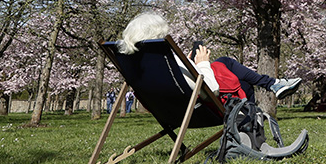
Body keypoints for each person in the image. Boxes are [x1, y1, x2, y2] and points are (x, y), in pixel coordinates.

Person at [117, 12, 302, 104]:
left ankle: (273, 84)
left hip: (166, 109)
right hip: (197, 106)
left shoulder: (135, 62)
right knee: (232, 70)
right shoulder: (167, 58)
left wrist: (188, 63)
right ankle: (272, 85)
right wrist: (202, 63)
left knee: (223, 63)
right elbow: (212, 89)